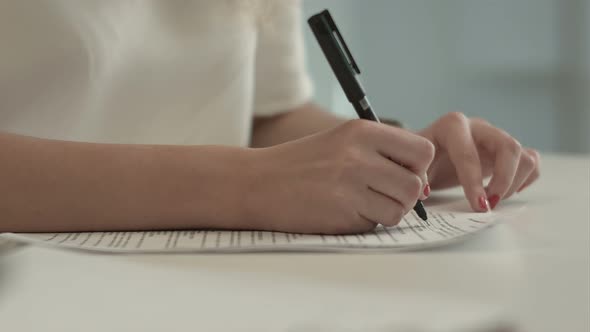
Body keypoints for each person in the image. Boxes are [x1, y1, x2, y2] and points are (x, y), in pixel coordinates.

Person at [0, 1, 539, 234]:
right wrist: (246, 187)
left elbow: (268, 115)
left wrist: (396, 156)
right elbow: (261, 168)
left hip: (214, 279)